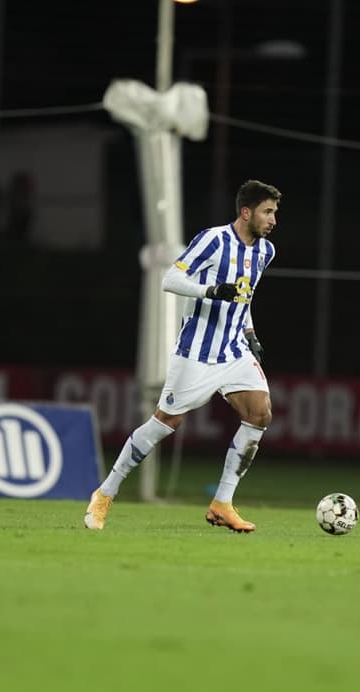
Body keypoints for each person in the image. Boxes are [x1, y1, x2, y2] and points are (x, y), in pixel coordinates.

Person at [84, 179, 280, 533]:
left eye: (275, 213)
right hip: (196, 352)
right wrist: (211, 290)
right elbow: (170, 280)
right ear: (246, 212)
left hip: (234, 349)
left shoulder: (265, 252)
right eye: (267, 212)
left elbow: (244, 297)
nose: (273, 220)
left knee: (260, 413)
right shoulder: (213, 240)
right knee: (164, 424)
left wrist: (250, 333)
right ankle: (105, 492)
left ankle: (222, 503)